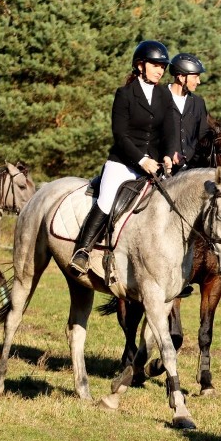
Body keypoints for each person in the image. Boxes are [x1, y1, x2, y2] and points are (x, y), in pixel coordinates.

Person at [69, 40, 176, 276]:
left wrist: (168, 155)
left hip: (155, 165)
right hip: (124, 163)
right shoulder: (125, 94)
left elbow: (170, 132)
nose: (160, 70)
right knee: (107, 200)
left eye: (163, 66)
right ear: (140, 65)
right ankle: (83, 251)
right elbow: (120, 134)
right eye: (155, 65)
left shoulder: (164, 95)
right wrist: (141, 160)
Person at [166, 52, 210, 170]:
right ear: (180, 77)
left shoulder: (199, 103)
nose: (199, 81)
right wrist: (168, 153)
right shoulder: (158, 97)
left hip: (192, 170)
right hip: (163, 169)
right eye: (195, 77)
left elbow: (203, 138)